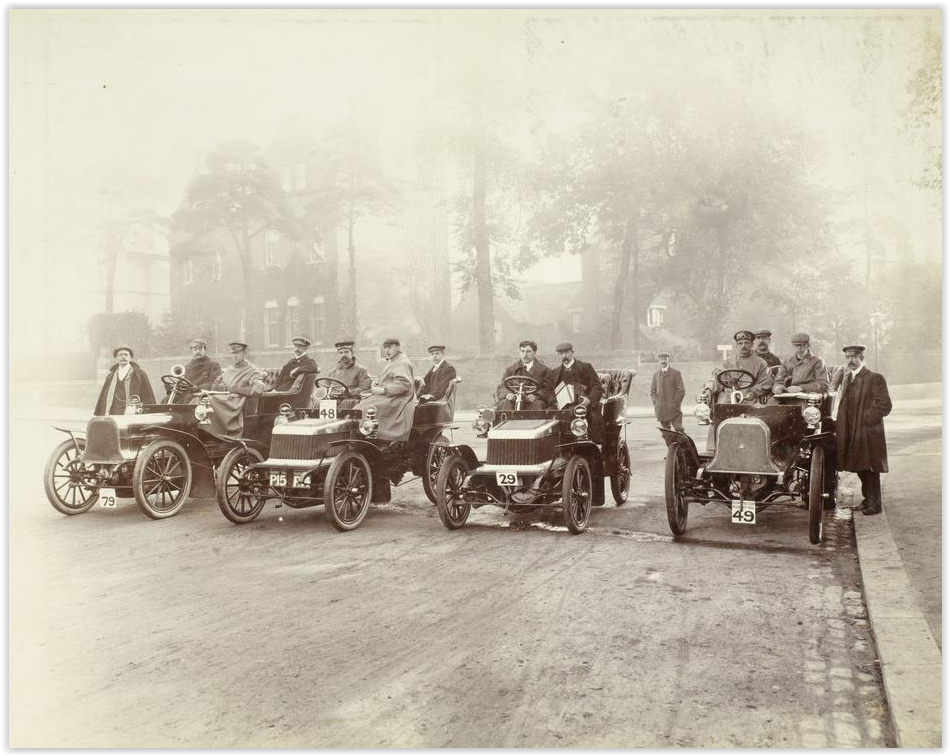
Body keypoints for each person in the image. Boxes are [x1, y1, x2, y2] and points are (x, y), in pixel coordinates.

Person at [835, 345, 892, 516]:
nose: (850, 360)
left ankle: (875, 505)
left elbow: (885, 404)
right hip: (852, 429)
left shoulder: (874, 378)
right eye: (847, 357)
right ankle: (868, 500)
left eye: (854, 356)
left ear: (862, 357)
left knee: (870, 468)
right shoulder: (848, 377)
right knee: (860, 466)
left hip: (868, 431)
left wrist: (867, 418)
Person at [354, 337, 417, 442]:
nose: (386, 350)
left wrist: (383, 390)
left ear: (398, 347)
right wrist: (377, 383)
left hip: (400, 398)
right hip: (390, 395)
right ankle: (365, 434)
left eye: (389, 347)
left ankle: (375, 436)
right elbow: (389, 379)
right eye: (385, 348)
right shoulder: (393, 361)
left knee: (364, 409)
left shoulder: (402, 362)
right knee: (360, 405)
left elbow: (404, 384)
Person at [204, 341, 266, 437]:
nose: (234, 356)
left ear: (245, 353)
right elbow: (216, 386)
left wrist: (233, 389)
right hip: (223, 400)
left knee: (207, 402)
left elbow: (258, 390)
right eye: (233, 353)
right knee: (201, 399)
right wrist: (218, 385)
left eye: (238, 353)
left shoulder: (252, 370)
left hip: (234, 405)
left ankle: (211, 433)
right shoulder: (229, 369)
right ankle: (202, 432)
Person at [550, 342, 603, 442]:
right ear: (558, 355)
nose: (564, 356)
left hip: (583, 406)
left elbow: (597, 387)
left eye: (566, 352)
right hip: (563, 407)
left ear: (572, 352)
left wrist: (589, 400)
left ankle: (595, 443)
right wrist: (555, 402)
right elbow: (550, 391)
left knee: (595, 419)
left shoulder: (586, 367)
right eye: (561, 353)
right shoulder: (555, 372)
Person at [711, 330, 773, 404]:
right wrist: (709, 388)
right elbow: (718, 379)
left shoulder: (761, 363)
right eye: (740, 343)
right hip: (729, 397)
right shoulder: (727, 362)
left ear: (752, 344)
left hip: (750, 398)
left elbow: (766, 382)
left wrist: (753, 392)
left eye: (746, 343)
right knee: (720, 405)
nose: (743, 346)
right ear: (736, 345)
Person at [94, 346, 156, 415]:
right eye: (120, 355)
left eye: (126, 355)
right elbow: (104, 398)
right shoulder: (110, 376)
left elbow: (148, 396)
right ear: (116, 358)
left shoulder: (140, 374)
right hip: (113, 412)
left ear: (130, 358)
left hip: (133, 413)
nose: (123, 357)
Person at [495, 340, 553, 411]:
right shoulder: (510, 370)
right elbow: (502, 387)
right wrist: (507, 394)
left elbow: (548, 390)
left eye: (528, 351)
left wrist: (536, 396)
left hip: (533, 403)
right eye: (522, 351)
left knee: (538, 404)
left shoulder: (545, 371)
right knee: (504, 403)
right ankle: (506, 418)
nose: (525, 354)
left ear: (534, 352)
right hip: (514, 402)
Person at [167, 338, 222, 403]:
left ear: (205, 349)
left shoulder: (213, 365)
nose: (197, 352)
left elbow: (214, 384)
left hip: (202, 395)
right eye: (195, 349)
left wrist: (198, 387)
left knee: (187, 400)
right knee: (167, 399)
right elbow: (183, 384)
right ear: (191, 351)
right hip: (187, 394)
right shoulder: (186, 367)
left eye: (200, 349)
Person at [327, 338, 372, 409]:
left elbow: (365, 388)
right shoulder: (332, 372)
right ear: (338, 355)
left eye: (346, 352)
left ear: (352, 353)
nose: (343, 355)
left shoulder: (361, 370)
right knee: (318, 403)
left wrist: (349, 392)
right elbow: (326, 387)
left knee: (346, 403)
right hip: (334, 402)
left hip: (353, 402)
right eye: (341, 353)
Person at [650, 351, 685, 433]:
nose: (663, 361)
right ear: (659, 361)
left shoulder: (676, 373)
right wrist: (656, 403)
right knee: (666, 432)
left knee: (679, 430)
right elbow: (652, 392)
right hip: (661, 409)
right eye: (661, 359)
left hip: (674, 408)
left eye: (665, 359)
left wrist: (675, 403)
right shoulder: (656, 375)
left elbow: (681, 390)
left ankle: (683, 442)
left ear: (668, 360)